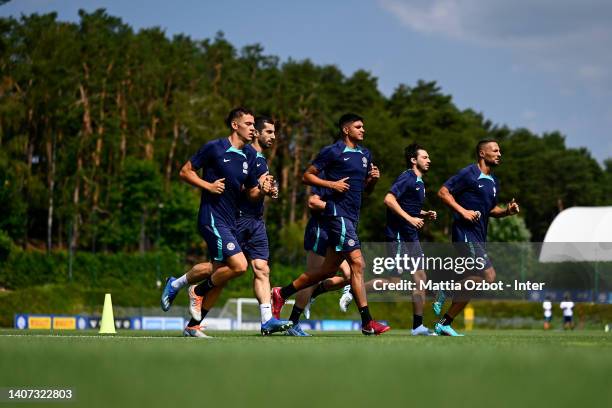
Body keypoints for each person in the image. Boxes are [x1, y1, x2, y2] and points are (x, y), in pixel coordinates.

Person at [271, 113, 390, 336]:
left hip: (352, 218)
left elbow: (364, 189)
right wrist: (331, 184)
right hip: (337, 215)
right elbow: (307, 176)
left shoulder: (365, 155)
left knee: (326, 271)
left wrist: (372, 180)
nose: (363, 130)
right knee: (358, 264)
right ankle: (367, 322)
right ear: (346, 130)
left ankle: (282, 293)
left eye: (363, 126)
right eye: (358, 126)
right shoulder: (333, 151)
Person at [176, 107, 290, 337]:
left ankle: (267, 320)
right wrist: (211, 187)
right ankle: (184, 295)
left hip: (256, 221)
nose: (273, 136)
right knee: (223, 272)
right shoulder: (240, 153)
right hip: (236, 220)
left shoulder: (258, 159)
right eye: (267, 131)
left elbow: (254, 191)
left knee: (261, 269)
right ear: (255, 132)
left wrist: (267, 189)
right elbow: (245, 191)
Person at [434, 139, 520, 336]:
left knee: (474, 281)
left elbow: (490, 210)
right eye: (495, 150)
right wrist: (462, 211)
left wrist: (507, 211)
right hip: (464, 233)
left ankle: (444, 323)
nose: (499, 154)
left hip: (479, 237)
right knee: (489, 276)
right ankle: (446, 289)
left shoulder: (494, 182)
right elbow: (443, 192)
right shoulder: (469, 173)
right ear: (482, 154)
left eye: (500, 151)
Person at [383, 143, 437, 335]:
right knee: (394, 283)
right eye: (425, 157)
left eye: (429, 157)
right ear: (414, 160)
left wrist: (423, 214)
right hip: (398, 235)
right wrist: (411, 219)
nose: (429, 160)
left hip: (410, 237)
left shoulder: (420, 182)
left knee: (421, 277)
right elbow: (389, 199)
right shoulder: (407, 177)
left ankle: (417, 326)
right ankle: (352, 289)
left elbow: (408, 207)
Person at [285, 188, 351, 336]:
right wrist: (336, 209)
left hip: (337, 229)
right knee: (312, 278)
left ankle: (312, 294)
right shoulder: (327, 176)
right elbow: (313, 202)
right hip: (322, 229)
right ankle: (292, 322)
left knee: (350, 275)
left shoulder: (351, 175)